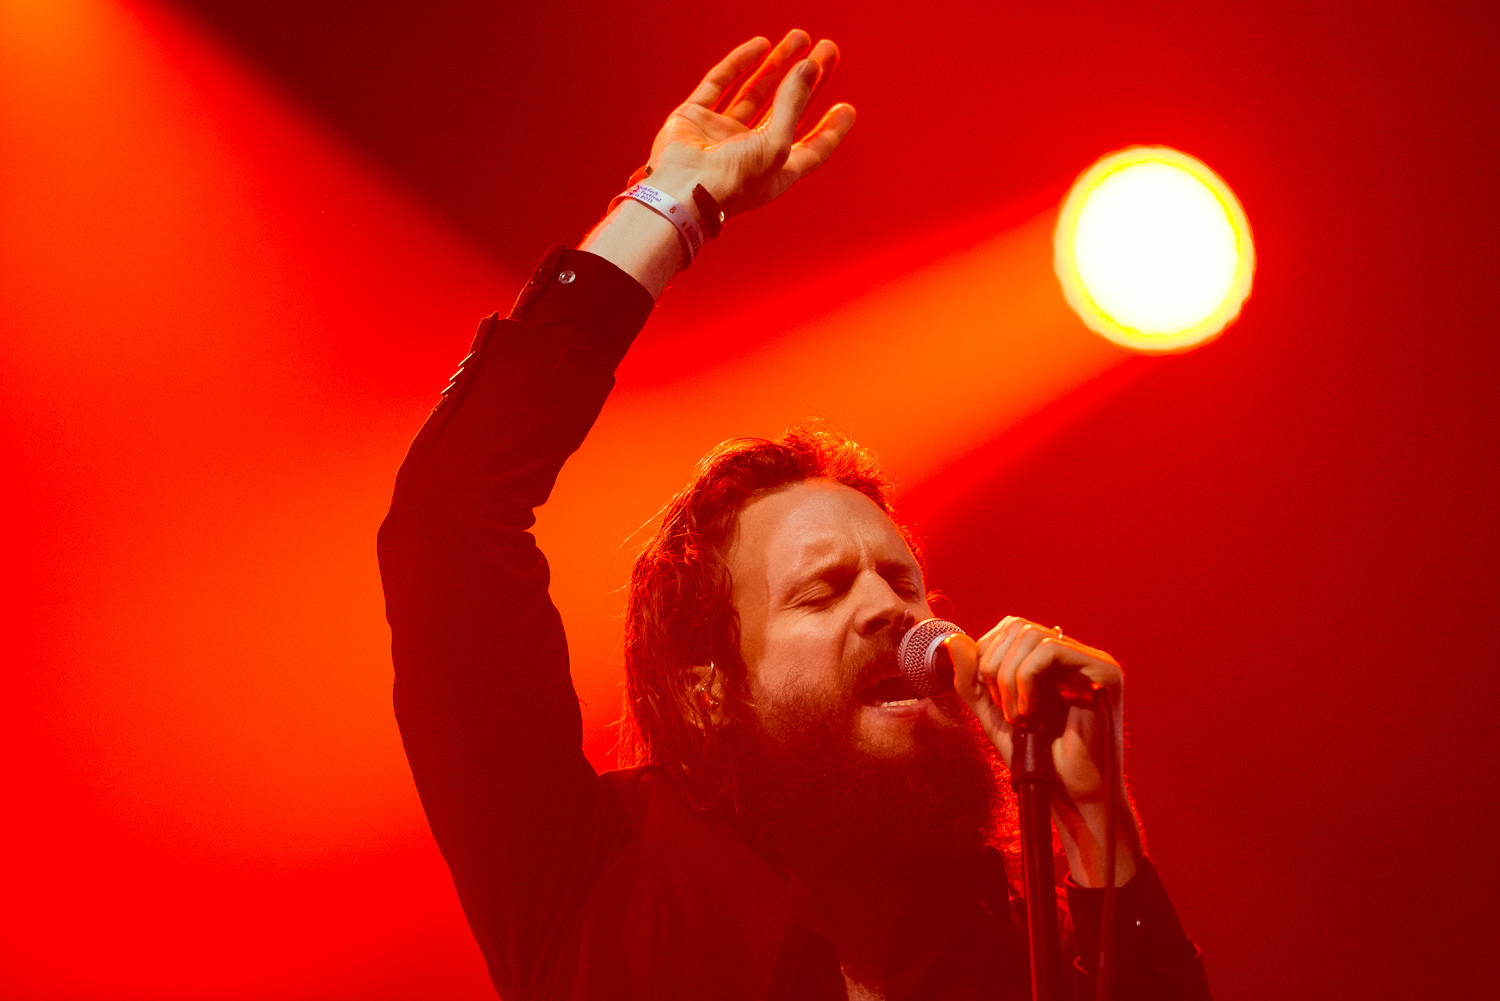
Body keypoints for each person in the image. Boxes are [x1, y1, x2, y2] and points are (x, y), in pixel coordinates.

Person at [378, 31, 1212, 1001]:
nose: (893, 610)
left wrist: (1098, 826)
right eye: (822, 590)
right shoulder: (599, 882)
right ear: (706, 690)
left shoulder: (1000, 958)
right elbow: (448, 526)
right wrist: (668, 211)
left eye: (902, 579)